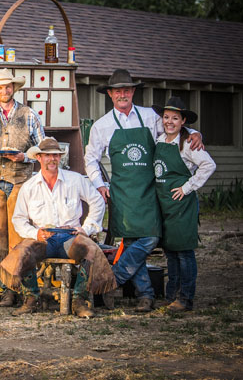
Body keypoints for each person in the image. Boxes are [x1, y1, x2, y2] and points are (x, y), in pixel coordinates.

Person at [84, 69, 204, 312]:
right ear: (110, 94)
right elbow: (90, 159)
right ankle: (145, 296)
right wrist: (100, 185)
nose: (122, 94)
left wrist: (194, 133)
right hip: (123, 194)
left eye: (126, 90)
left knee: (150, 237)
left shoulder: (151, 117)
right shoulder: (102, 125)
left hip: (150, 191)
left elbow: (175, 128)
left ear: (133, 92)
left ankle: (113, 277)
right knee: (130, 243)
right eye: (117, 91)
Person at [0, 137, 115, 317]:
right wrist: (35, 233)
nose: (52, 159)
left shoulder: (74, 180)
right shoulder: (29, 187)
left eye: (56, 156)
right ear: (39, 158)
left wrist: (88, 227)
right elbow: (19, 219)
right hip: (44, 238)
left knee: (91, 251)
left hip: (70, 236)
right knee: (23, 251)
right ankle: (31, 299)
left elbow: (97, 201)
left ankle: (79, 300)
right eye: (47, 156)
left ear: (60, 158)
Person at [0, 68, 45, 309]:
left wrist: (24, 157)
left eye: (8, 87)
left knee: (20, 237)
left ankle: (27, 290)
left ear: (13, 89)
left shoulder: (29, 115)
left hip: (21, 182)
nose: (4, 91)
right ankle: (7, 290)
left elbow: (43, 148)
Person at [152, 97, 216, 312]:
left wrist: (187, 187)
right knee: (170, 251)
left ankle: (185, 298)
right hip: (165, 204)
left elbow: (208, 165)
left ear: (183, 121)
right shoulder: (160, 139)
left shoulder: (188, 142)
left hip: (182, 204)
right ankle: (171, 295)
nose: (169, 121)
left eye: (175, 118)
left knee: (184, 252)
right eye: (166, 117)